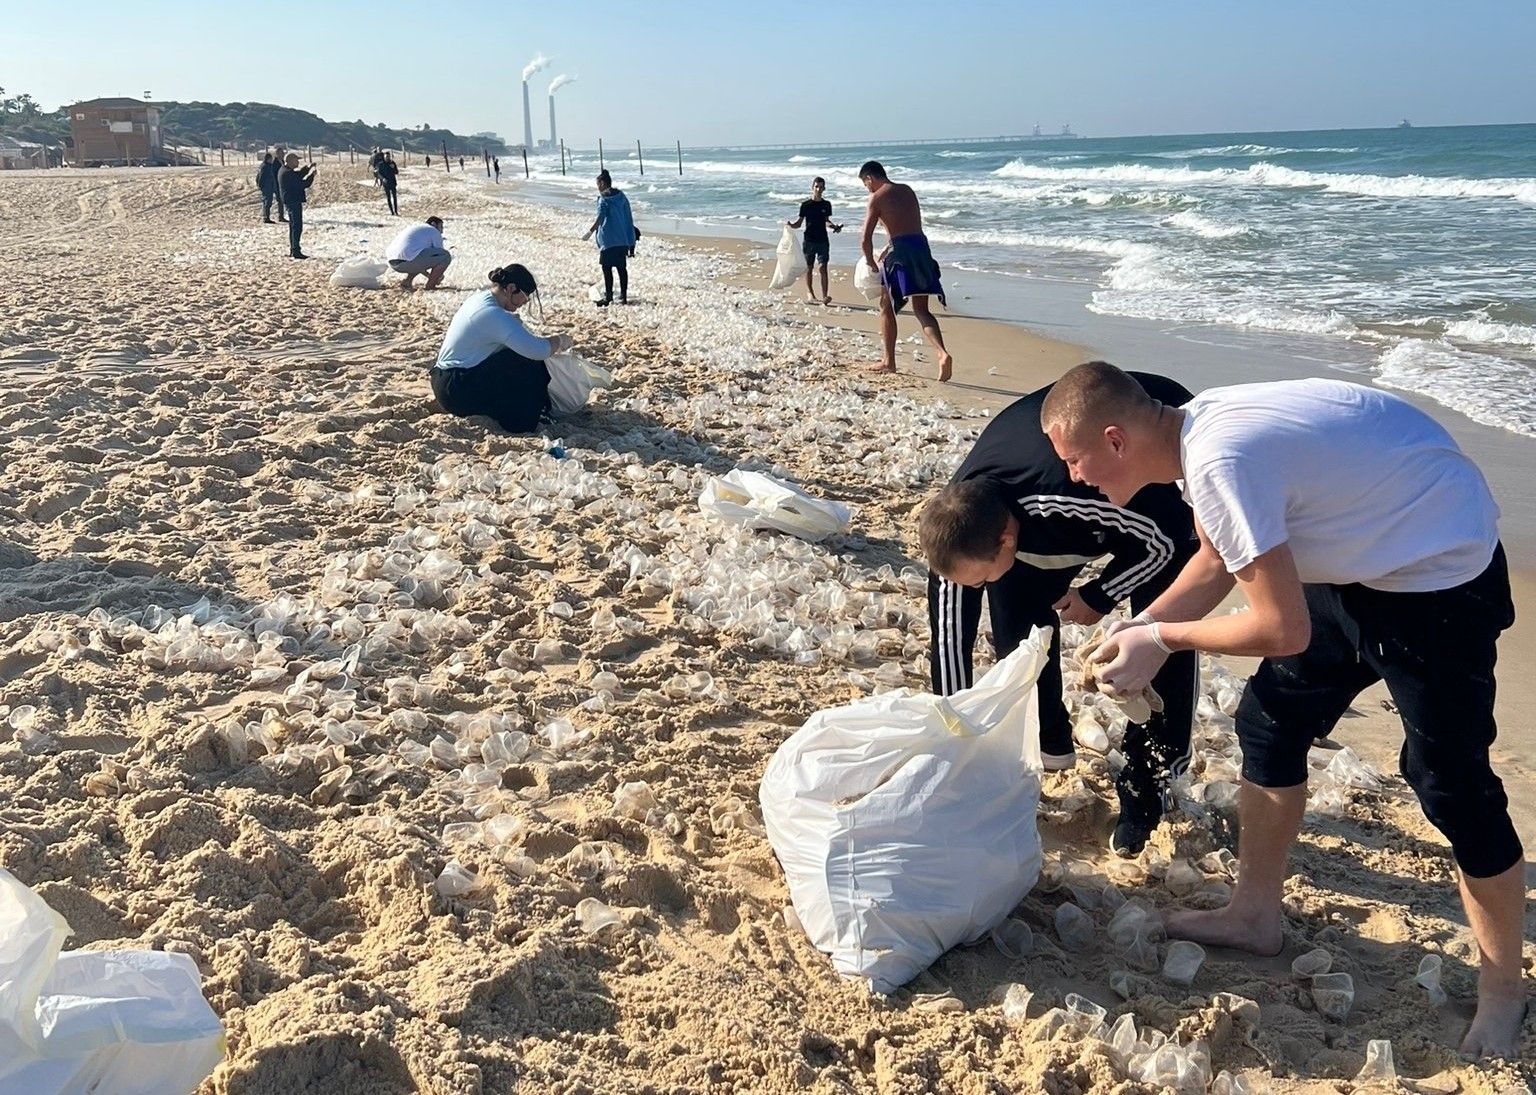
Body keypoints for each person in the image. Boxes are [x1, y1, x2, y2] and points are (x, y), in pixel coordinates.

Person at [1040, 361, 1526, 1057]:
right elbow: (1215, 559)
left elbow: (1281, 628)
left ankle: (1504, 990)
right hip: (1360, 559)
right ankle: (1254, 913)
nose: (1074, 477)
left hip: (1438, 577)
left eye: (1075, 459)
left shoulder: (1218, 457)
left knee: (1450, 784)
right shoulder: (1190, 433)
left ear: (1115, 439)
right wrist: (1137, 625)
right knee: (1268, 723)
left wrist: (1163, 639)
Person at [921, 370, 1198, 856]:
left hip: (1145, 500)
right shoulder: (963, 518)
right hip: (1046, 505)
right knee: (1020, 638)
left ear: (1007, 538)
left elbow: (1169, 541)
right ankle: (1049, 748)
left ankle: (1149, 781)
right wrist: (956, 733)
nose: (979, 587)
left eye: (982, 577)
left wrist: (1100, 595)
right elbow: (949, 633)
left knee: (1158, 640)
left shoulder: (1066, 493)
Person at [430, 264, 573, 433]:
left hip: (444, 379)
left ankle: (532, 409)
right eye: (525, 297)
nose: (524, 303)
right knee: (528, 361)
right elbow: (537, 350)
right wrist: (560, 340)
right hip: (456, 389)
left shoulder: (480, 299)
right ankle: (525, 419)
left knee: (516, 356)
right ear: (511, 289)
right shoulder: (493, 314)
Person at [858, 160, 952, 381]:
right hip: (921, 249)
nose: (867, 188)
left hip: (899, 254)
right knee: (922, 310)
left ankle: (889, 361)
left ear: (870, 178)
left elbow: (865, 238)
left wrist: (871, 263)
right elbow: (909, 226)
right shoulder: (907, 191)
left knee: (886, 307)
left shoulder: (877, 197)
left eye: (865, 184)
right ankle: (942, 353)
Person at [580, 170, 637, 306]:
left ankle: (609, 297)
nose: (598, 187)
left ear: (603, 183)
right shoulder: (622, 197)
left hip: (609, 240)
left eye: (598, 184)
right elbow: (628, 217)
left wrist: (590, 231)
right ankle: (623, 297)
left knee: (607, 268)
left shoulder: (604, 199)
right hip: (622, 239)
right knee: (621, 268)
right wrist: (631, 240)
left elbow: (601, 217)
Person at [786, 176, 842, 305]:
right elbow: (799, 223)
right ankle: (810, 293)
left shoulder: (826, 204)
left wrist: (834, 226)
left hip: (823, 240)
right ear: (812, 188)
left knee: (823, 267)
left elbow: (826, 220)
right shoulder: (806, 205)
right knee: (809, 268)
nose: (819, 189)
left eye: (821, 187)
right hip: (809, 240)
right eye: (817, 186)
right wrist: (791, 225)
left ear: (824, 188)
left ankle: (825, 296)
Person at [385, 216, 452, 290]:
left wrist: (429, 275)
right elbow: (440, 254)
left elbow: (422, 259)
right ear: (433, 224)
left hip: (393, 262)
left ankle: (407, 282)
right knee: (446, 256)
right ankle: (430, 286)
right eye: (441, 227)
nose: (442, 231)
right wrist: (438, 275)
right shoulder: (433, 230)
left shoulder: (417, 228)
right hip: (408, 261)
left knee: (416, 254)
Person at [277, 153, 317, 259]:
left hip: (291, 201)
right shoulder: (287, 173)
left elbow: (298, 175)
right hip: (293, 201)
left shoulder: (285, 170)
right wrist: (312, 176)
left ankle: (294, 249)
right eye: (296, 160)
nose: (298, 162)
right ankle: (295, 251)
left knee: (293, 226)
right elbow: (302, 184)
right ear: (290, 161)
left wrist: (308, 168)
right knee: (296, 226)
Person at [256, 152, 279, 223]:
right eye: (271, 159)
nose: (272, 160)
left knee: (266, 202)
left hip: (268, 186)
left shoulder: (263, 166)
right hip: (267, 187)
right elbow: (261, 177)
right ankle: (266, 218)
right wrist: (260, 185)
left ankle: (265, 216)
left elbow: (257, 177)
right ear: (268, 159)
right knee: (267, 202)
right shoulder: (266, 167)